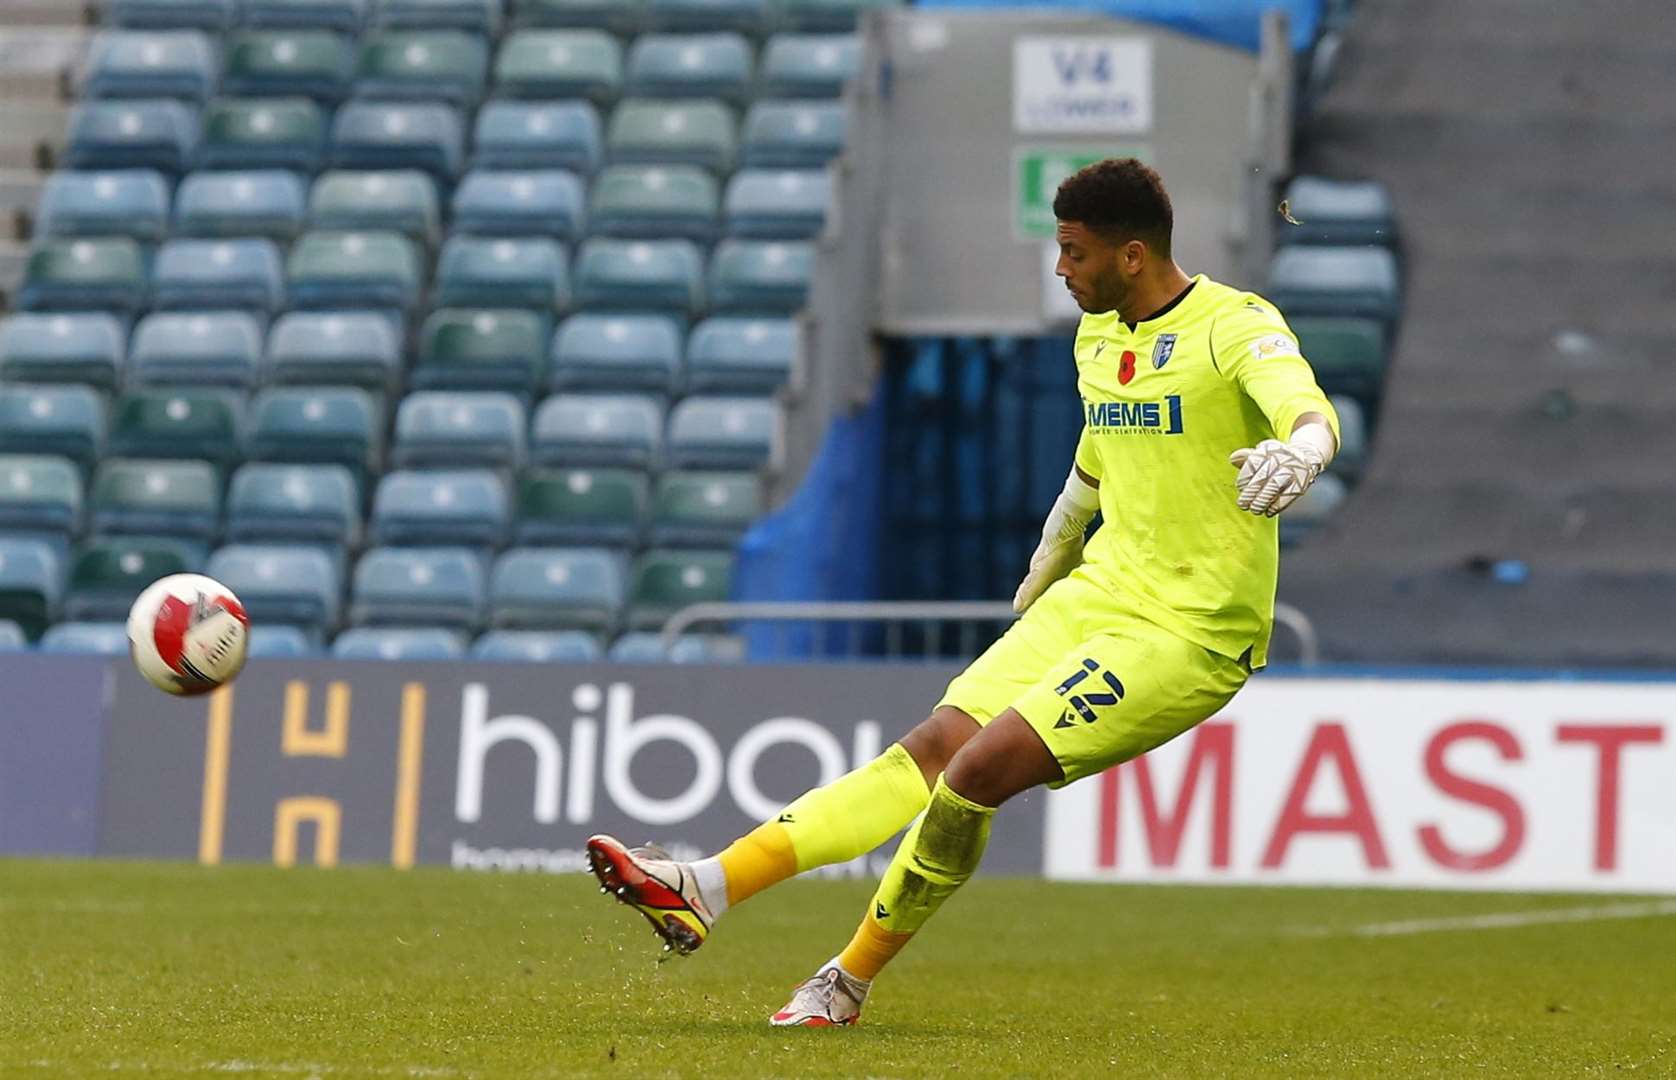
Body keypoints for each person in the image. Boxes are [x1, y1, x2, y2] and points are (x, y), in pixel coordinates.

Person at [585, 158, 1341, 1026]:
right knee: (934, 745)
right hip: (1101, 595)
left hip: (1192, 630)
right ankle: (706, 887)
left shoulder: (1235, 324)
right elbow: (1102, 450)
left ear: (1132, 256)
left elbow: (1305, 405)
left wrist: (1306, 450)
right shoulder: (1098, 337)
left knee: (977, 773)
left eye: (1073, 252)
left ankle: (845, 979)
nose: (1062, 270)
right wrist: (1058, 540)